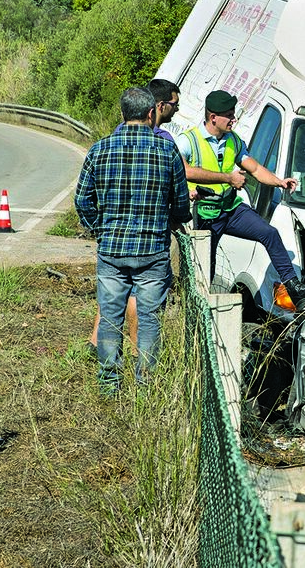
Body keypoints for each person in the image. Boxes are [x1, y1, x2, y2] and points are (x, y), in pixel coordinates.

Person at [75, 87, 191, 391]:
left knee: (110, 317)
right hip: (153, 251)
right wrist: (170, 221)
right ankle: (145, 385)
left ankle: (109, 384)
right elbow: (181, 203)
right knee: (149, 318)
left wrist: (99, 229)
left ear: (122, 113)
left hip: (112, 250)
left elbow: (82, 199)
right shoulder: (167, 151)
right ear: (151, 113)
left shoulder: (99, 149)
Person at [174, 89, 305, 308]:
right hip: (204, 213)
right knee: (205, 267)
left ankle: (293, 287)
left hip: (231, 209)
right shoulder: (187, 141)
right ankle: (194, 308)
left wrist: (279, 182)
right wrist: (226, 178)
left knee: (269, 233)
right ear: (213, 117)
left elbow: (255, 169)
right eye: (229, 115)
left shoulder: (234, 140)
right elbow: (184, 171)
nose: (234, 119)